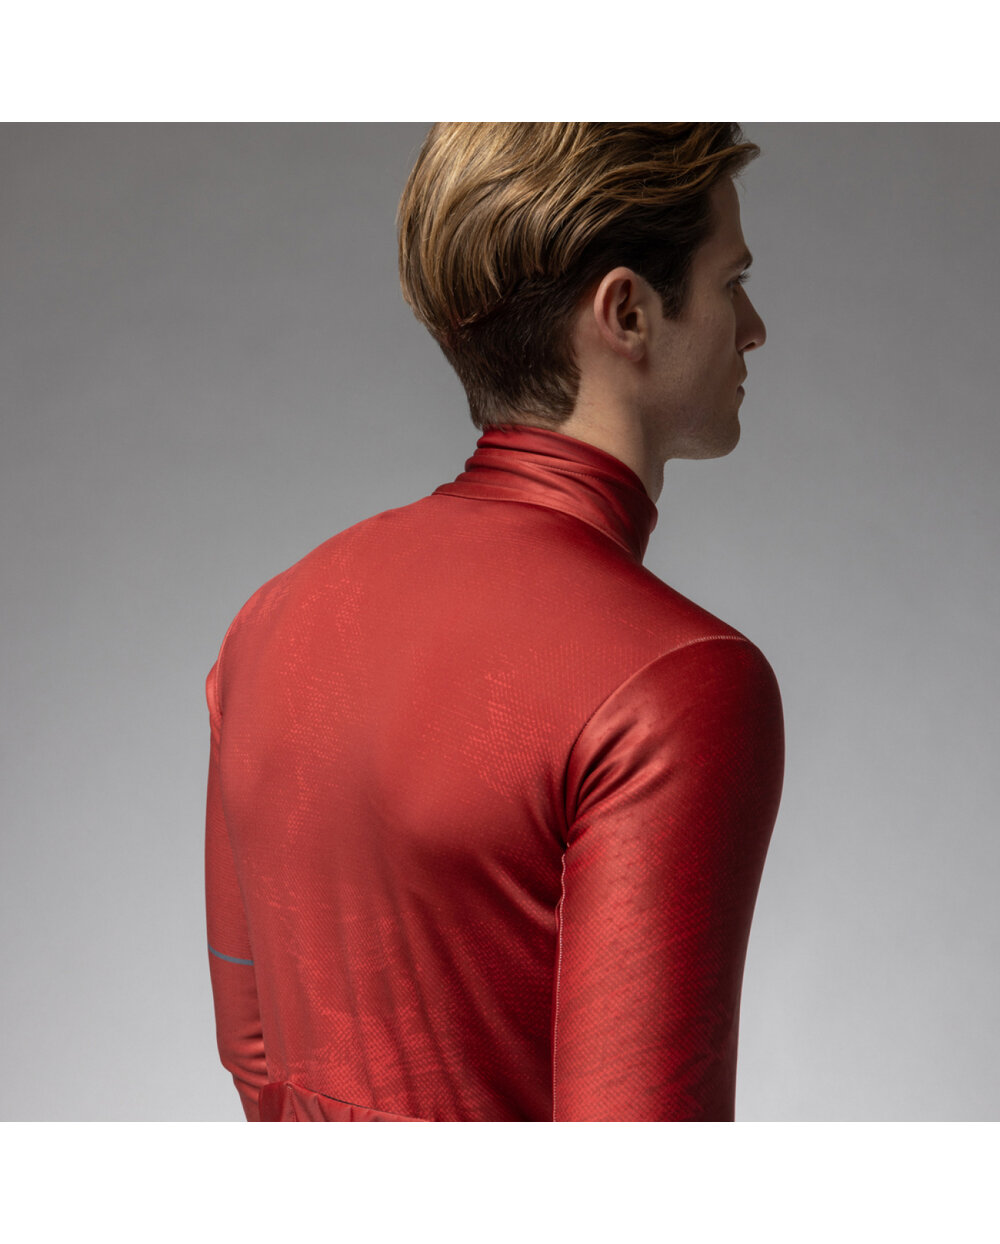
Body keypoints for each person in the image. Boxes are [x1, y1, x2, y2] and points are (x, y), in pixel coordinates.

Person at [205, 123, 784, 1122]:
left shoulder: (271, 618)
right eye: (732, 282)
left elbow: (258, 1059)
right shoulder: (677, 680)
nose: (755, 326)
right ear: (628, 312)